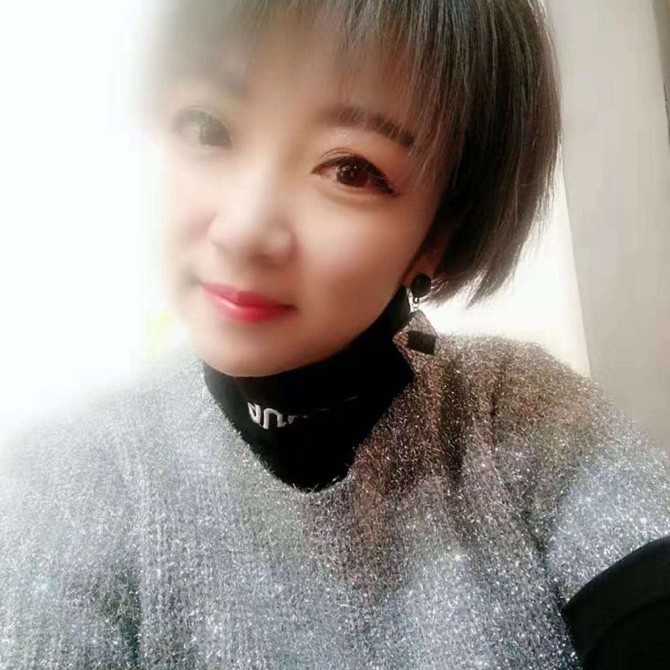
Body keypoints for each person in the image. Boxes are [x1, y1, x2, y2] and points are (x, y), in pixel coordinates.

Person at [1, 0, 669, 667]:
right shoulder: (72, 484)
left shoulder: (520, 414)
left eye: (350, 168)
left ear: (436, 238)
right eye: (207, 127)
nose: (243, 230)